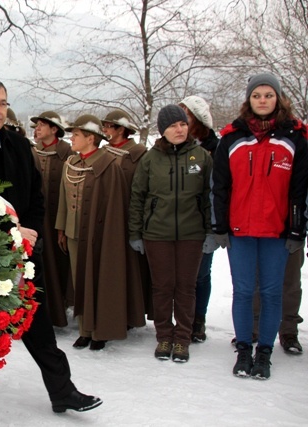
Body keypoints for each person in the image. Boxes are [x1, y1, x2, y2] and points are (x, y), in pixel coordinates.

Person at [0, 77, 101, 413]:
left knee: (37, 324)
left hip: (24, 257)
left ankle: (62, 391)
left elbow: (35, 196)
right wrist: (3, 236)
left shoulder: (17, 145)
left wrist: (31, 233)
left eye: (2, 102)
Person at [212, 73, 308, 379]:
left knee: (271, 293)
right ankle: (243, 351)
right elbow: (219, 186)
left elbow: (300, 189)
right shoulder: (231, 137)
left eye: (268, 95)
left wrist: (297, 230)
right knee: (242, 292)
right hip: (240, 230)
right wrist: (219, 226)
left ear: (278, 98)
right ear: (249, 100)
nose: (263, 100)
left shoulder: (295, 137)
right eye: (257, 95)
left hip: (276, 233)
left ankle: (264, 353)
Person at [129, 104, 214, 363]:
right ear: (162, 130)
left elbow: (209, 197)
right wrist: (135, 233)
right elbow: (138, 197)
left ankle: (183, 338)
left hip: (192, 233)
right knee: (163, 287)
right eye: (172, 126)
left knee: (186, 287)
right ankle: (165, 335)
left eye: (182, 124)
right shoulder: (150, 159)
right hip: (157, 234)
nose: (179, 129)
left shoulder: (201, 156)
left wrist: (211, 231)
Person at [56, 114, 132, 351]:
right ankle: (85, 330)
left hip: (100, 236)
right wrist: (61, 229)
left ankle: (100, 331)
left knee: (100, 282)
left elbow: (116, 207)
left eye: (76, 135)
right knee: (80, 282)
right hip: (74, 233)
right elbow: (63, 200)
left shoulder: (109, 165)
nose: (72, 139)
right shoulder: (72, 163)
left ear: (90, 138)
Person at [102, 109, 152, 326]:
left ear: (120, 129)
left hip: (130, 219)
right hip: (106, 220)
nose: (104, 131)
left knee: (132, 270)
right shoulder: (103, 152)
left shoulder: (139, 153)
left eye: (108, 127)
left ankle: (131, 314)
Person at [178, 96, 218, 343]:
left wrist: (215, 226)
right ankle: (183, 318)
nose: (181, 121)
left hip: (205, 222)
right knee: (181, 276)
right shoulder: (177, 146)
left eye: (187, 115)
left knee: (201, 274)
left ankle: (198, 320)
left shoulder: (215, 148)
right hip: (180, 222)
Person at [29, 111, 73, 328]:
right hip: (39, 221)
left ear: (54, 129)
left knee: (62, 265)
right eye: (36, 126)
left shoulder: (67, 153)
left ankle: (62, 307)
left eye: (42, 125)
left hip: (61, 219)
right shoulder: (32, 152)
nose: (36, 129)